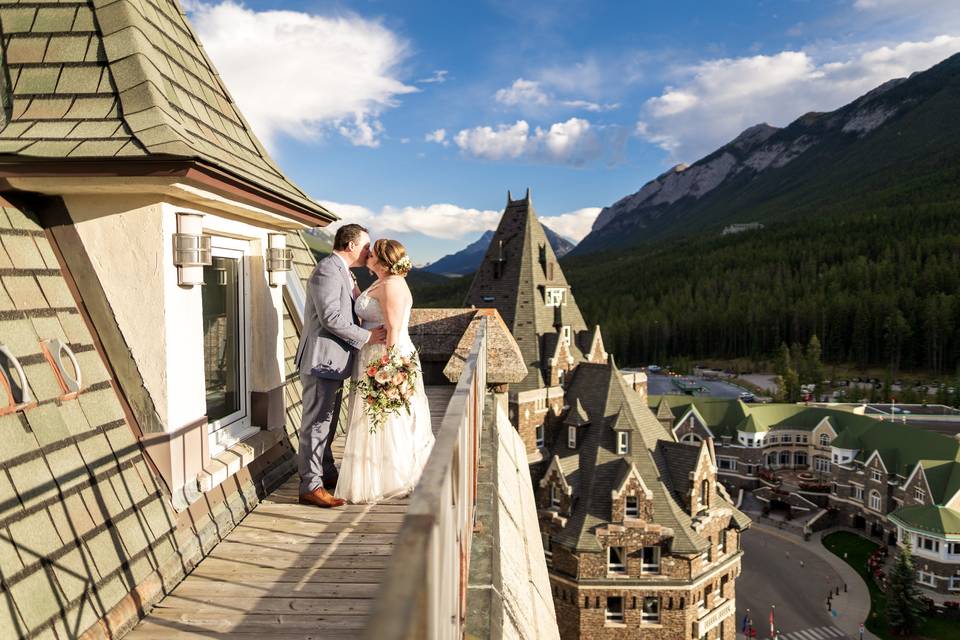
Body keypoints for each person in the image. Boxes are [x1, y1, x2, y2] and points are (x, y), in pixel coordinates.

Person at [336, 238, 435, 503]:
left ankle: (392, 477)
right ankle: (378, 472)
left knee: (387, 415)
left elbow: (393, 328)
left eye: (371, 253)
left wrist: (389, 367)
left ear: (380, 260)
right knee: (379, 416)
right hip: (373, 352)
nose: (367, 255)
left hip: (385, 354)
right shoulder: (382, 282)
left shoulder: (392, 285)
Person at [294, 224, 386, 508]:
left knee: (329, 421)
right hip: (322, 359)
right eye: (366, 246)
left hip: (334, 362)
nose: (369, 252)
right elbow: (331, 317)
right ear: (351, 246)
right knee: (317, 424)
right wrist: (368, 337)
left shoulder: (344, 273)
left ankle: (326, 470)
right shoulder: (326, 270)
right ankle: (310, 486)